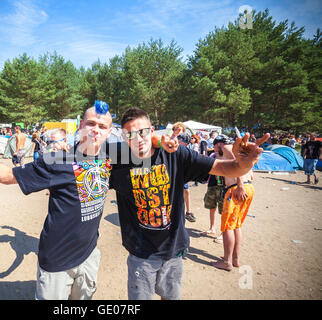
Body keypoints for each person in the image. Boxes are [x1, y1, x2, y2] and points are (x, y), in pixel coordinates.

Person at [0, 103, 114, 300]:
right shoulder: (57, 161)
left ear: (109, 132)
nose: (96, 130)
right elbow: (6, 175)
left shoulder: (111, 157)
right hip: (57, 260)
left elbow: (147, 147)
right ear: (80, 126)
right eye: (91, 123)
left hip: (89, 255)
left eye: (102, 126)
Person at [109, 107, 269, 300]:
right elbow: (84, 155)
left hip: (173, 250)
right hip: (140, 254)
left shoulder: (176, 155)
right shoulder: (117, 161)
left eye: (143, 132)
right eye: (130, 134)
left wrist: (245, 164)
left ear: (152, 131)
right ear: (124, 137)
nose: (138, 139)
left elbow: (230, 169)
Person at [211, 143, 255, 272]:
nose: (214, 149)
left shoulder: (226, 148)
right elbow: (250, 173)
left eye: (214, 146)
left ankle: (226, 262)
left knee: (227, 227)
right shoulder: (241, 151)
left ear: (219, 143)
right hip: (248, 187)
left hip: (237, 189)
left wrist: (240, 185)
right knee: (236, 225)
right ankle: (235, 259)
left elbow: (236, 162)